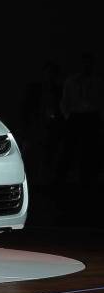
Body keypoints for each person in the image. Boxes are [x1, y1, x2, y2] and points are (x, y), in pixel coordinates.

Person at [59, 52, 103, 190]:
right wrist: (68, 116)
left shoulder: (97, 82)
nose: (86, 66)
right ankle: (63, 179)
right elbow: (64, 100)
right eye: (84, 63)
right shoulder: (71, 81)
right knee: (70, 148)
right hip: (76, 116)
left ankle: (86, 179)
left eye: (89, 63)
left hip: (91, 116)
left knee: (89, 149)